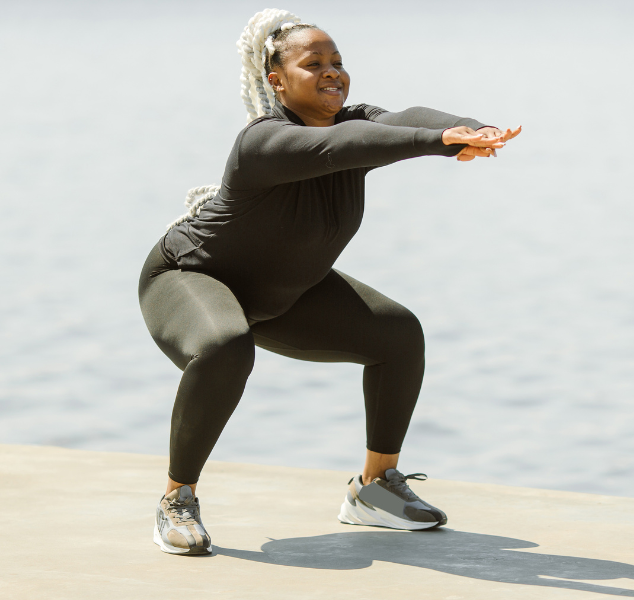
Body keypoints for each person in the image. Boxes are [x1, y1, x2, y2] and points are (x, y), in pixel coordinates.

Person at [139, 9, 521, 555]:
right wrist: (437, 141)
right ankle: (177, 499)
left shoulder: (355, 122)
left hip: (282, 292)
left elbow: (398, 118)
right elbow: (342, 149)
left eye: (338, 62)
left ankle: (374, 489)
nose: (332, 72)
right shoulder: (263, 143)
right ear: (277, 80)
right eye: (313, 63)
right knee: (226, 344)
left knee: (397, 334)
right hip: (191, 276)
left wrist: (469, 127)